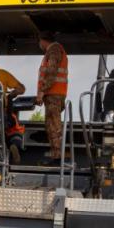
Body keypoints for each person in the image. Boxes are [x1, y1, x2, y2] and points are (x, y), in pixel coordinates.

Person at [35, 32, 69, 163]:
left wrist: (41, 91)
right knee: (51, 125)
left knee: (54, 125)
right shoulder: (55, 50)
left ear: (43, 40)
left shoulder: (54, 50)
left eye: (39, 41)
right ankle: (56, 155)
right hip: (54, 94)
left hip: (53, 94)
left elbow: (51, 72)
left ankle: (58, 156)